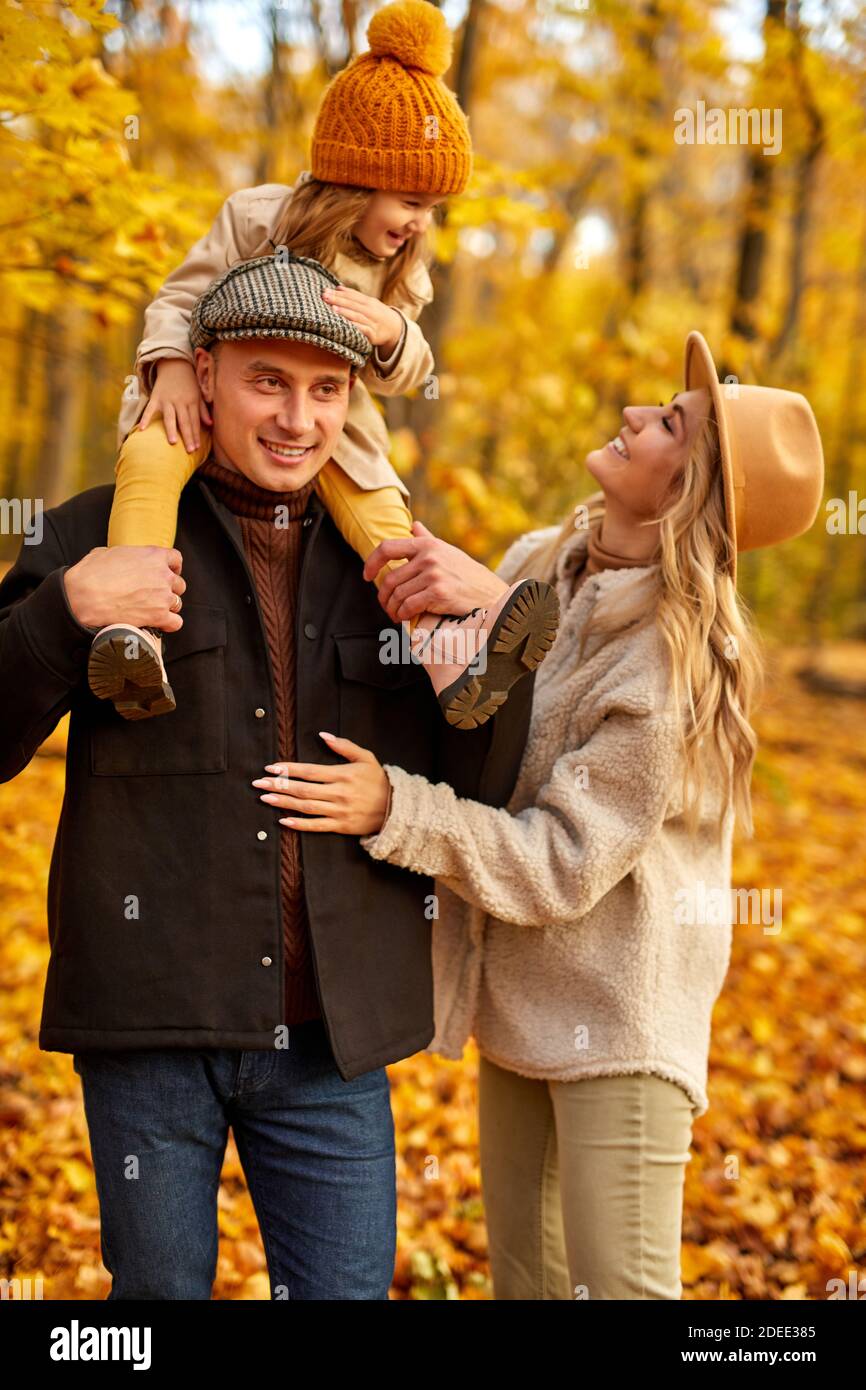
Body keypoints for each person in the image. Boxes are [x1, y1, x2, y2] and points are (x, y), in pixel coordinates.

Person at [0, 254, 535, 1300]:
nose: (298, 418)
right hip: (149, 1027)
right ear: (202, 373)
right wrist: (63, 609)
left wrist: (487, 630)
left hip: (334, 1044)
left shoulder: (395, 565)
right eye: (267, 381)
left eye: (326, 389)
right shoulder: (96, 529)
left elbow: (490, 779)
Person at [254, 330, 825, 1299]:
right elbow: (502, 730)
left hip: (620, 1022)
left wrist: (394, 808)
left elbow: (558, 859)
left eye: (666, 426)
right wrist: (469, 606)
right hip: (520, 1006)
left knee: (621, 1289)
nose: (634, 415)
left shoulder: (666, 665)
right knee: (526, 1282)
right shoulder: (542, 563)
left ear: (685, 491)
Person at [89, 0, 559, 727]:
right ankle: (132, 634)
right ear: (355, 178)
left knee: (380, 512)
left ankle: (444, 651)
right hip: (214, 395)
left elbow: (410, 369)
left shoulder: (404, 273)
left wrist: (394, 335)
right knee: (150, 461)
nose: (418, 225)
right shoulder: (258, 218)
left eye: (433, 209)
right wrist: (173, 367)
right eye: (410, 201)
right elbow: (180, 297)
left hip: (328, 421)